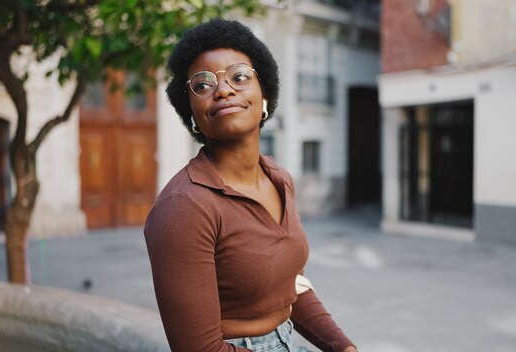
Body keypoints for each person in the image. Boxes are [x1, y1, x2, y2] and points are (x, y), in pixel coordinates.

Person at [144, 18, 358, 352]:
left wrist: (342, 346)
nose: (224, 89)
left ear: (265, 98)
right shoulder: (184, 206)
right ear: (191, 114)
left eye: (239, 77)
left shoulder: (279, 179)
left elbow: (292, 286)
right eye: (202, 85)